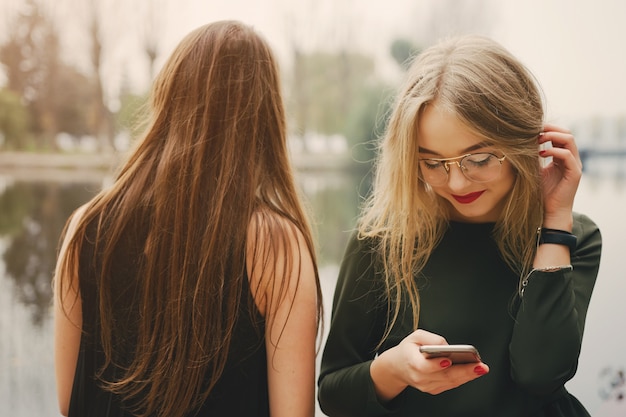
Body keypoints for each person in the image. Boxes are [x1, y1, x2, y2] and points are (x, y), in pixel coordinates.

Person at [317, 35, 601, 417]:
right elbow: (334, 395)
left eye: (479, 158)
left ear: (524, 144)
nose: (456, 183)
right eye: (432, 163)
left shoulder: (573, 236)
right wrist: (393, 369)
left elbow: (542, 375)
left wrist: (553, 222)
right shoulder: (380, 240)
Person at [53, 20, 322, 417]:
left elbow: (67, 400)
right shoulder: (275, 245)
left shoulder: (85, 227)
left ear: (168, 98)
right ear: (265, 117)